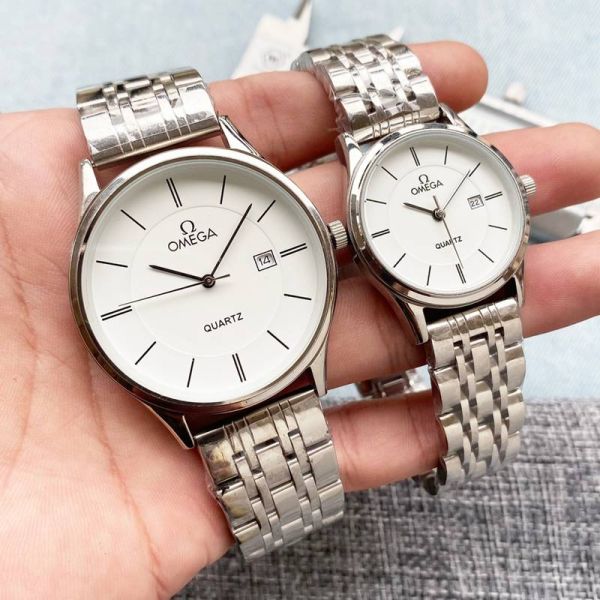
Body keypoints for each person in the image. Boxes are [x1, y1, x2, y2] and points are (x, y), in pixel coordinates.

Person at [0, 41, 599, 598]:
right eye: (196, 278)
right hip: (199, 388)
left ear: (327, 236)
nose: (208, 278)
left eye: (209, 272)